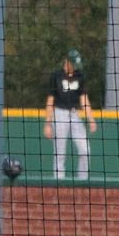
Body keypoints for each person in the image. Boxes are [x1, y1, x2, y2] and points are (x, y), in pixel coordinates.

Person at [43, 48, 97, 181]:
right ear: (67, 62)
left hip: (74, 114)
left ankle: (82, 181)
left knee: (85, 150)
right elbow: (50, 100)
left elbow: (84, 99)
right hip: (59, 113)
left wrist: (91, 119)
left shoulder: (80, 76)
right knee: (60, 153)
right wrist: (48, 124)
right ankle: (59, 183)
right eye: (73, 64)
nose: (75, 67)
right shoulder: (56, 76)